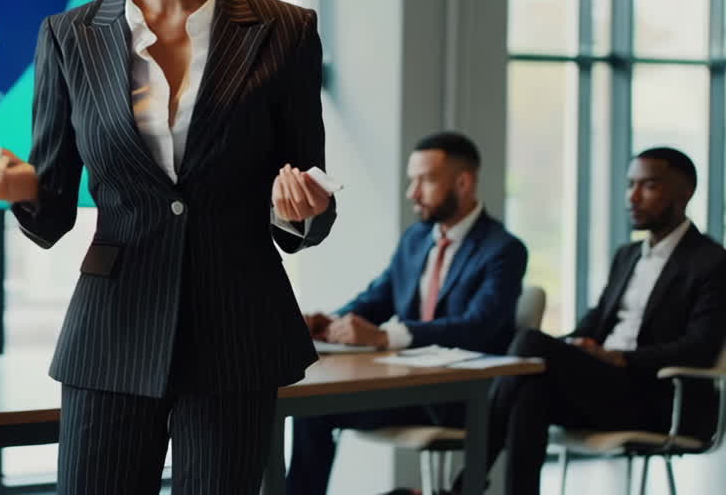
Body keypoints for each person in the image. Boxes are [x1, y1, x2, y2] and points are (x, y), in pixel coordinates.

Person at [0, 0, 335, 494]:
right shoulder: (70, 37)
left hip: (235, 331)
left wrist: (302, 210)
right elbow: (51, 213)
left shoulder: (284, 32)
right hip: (111, 335)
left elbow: (304, 195)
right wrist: (23, 191)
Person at [436, 147, 726, 495]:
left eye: (648, 186)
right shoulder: (628, 255)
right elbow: (594, 323)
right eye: (629, 184)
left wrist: (619, 358)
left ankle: (466, 486)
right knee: (531, 389)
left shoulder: (711, 262)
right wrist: (570, 346)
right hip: (608, 390)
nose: (632, 197)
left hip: (659, 398)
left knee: (529, 344)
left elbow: (700, 348)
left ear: (684, 192)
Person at [288, 131, 527, 495]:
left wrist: (386, 337)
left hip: (461, 399)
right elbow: (377, 298)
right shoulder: (417, 239)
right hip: (407, 389)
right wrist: (330, 324)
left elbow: (479, 326)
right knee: (312, 408)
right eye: (411, 180)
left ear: (463, 182)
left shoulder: (504, 250)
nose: (412, 193)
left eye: (425, 180)